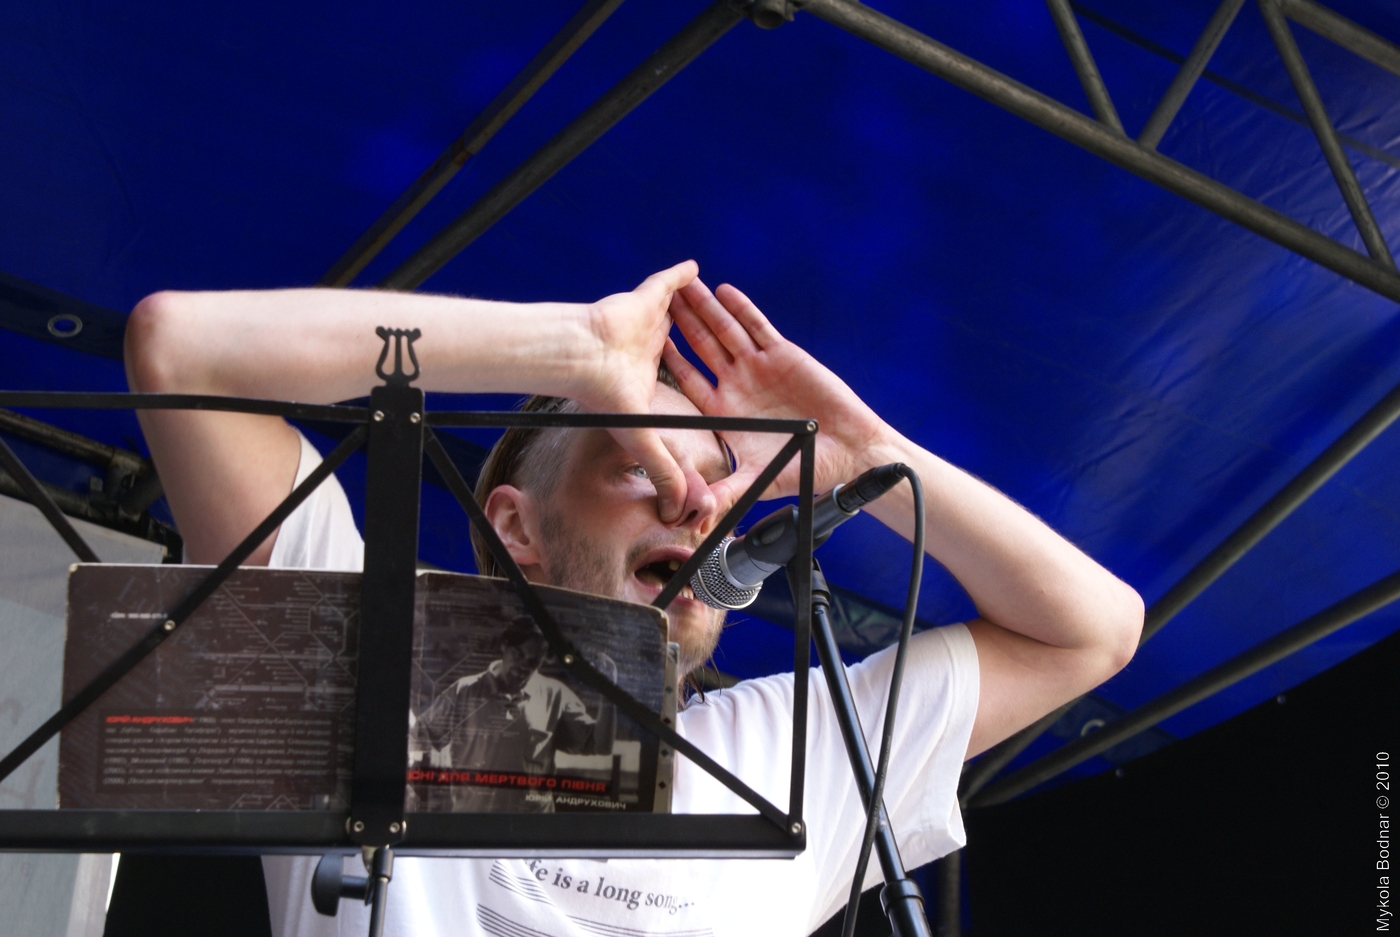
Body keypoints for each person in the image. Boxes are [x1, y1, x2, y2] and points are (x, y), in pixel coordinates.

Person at [124, 261, 1143, 936]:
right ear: (516, 525)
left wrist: (867, 457)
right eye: (639, 464)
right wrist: (573, 350)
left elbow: (1090, 631)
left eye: (718, 482)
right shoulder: (373, 658)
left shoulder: (778, 758)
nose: (693, 501)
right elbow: (184, 350)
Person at [411, 617, 613, 813]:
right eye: (518, 655)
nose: (524, 666)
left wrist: (608, 689)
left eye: (533, 661)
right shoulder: (464, 691)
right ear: (504, 646)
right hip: (474, 822)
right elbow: (417, 739)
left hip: (532, 826)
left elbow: (601, 745)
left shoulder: (555, 695)